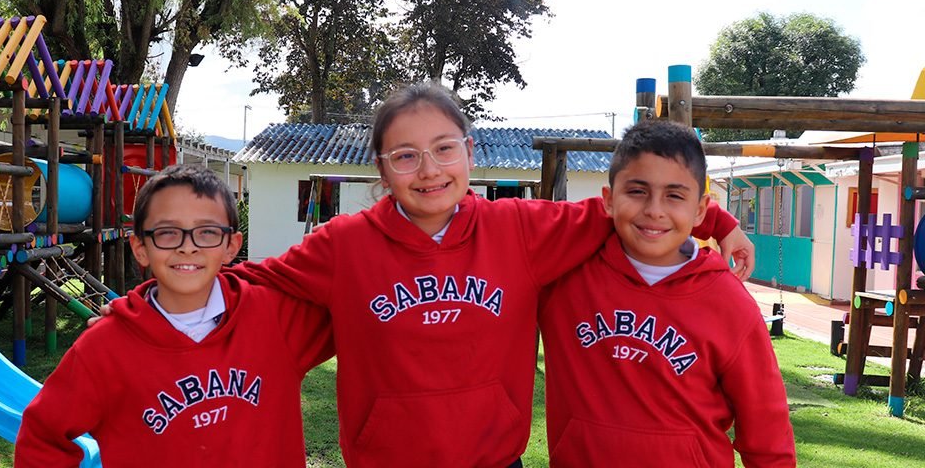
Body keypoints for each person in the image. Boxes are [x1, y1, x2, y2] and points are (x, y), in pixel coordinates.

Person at [223, 83, 755, 467]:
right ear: (382, 170)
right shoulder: (342, 245)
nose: (429, 170)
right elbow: (254, 281)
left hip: (496, 462)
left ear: (468, 153)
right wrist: (159, 289)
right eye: (406, 157)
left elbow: (633, 203)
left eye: (444, 149)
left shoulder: (521, 230)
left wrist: (721, 222)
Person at [15, 165, 332, 467]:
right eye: (167, 233)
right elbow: (43, 437)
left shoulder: (277, 319)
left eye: (206, 232)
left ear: (231, 245)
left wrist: (340, 244)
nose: (187, 247)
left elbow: (365, 304)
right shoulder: (105, 347)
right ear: (140, 248)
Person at [539, 119, 795, 467]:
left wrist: (721, 223)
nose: (654, 210)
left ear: (701, 209)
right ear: (609, 200)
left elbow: (766, 427)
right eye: (637, 191)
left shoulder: (729, 302)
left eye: (674, 195)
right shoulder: (564, 276)